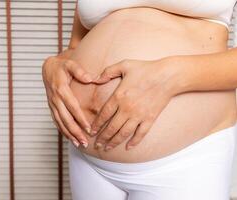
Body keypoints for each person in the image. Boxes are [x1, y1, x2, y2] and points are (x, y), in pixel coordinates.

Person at [42, 0, 237, 199]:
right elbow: (75, 45)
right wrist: (53, 66)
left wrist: (170, 76)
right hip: (86, 157)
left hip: (183, 161)